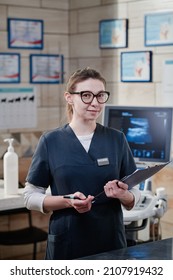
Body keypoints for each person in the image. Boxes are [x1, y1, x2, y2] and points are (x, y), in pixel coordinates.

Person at [24, 67, 140, 260]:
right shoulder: (50, 141)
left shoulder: (116, 139)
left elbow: (134, 192)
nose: (95, 102)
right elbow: (29, 196)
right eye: (86, 95)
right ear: (69, 98)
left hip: (110, 241)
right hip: (67, 241)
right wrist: (67, 201)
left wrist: (124, 195)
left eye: (100, 95)